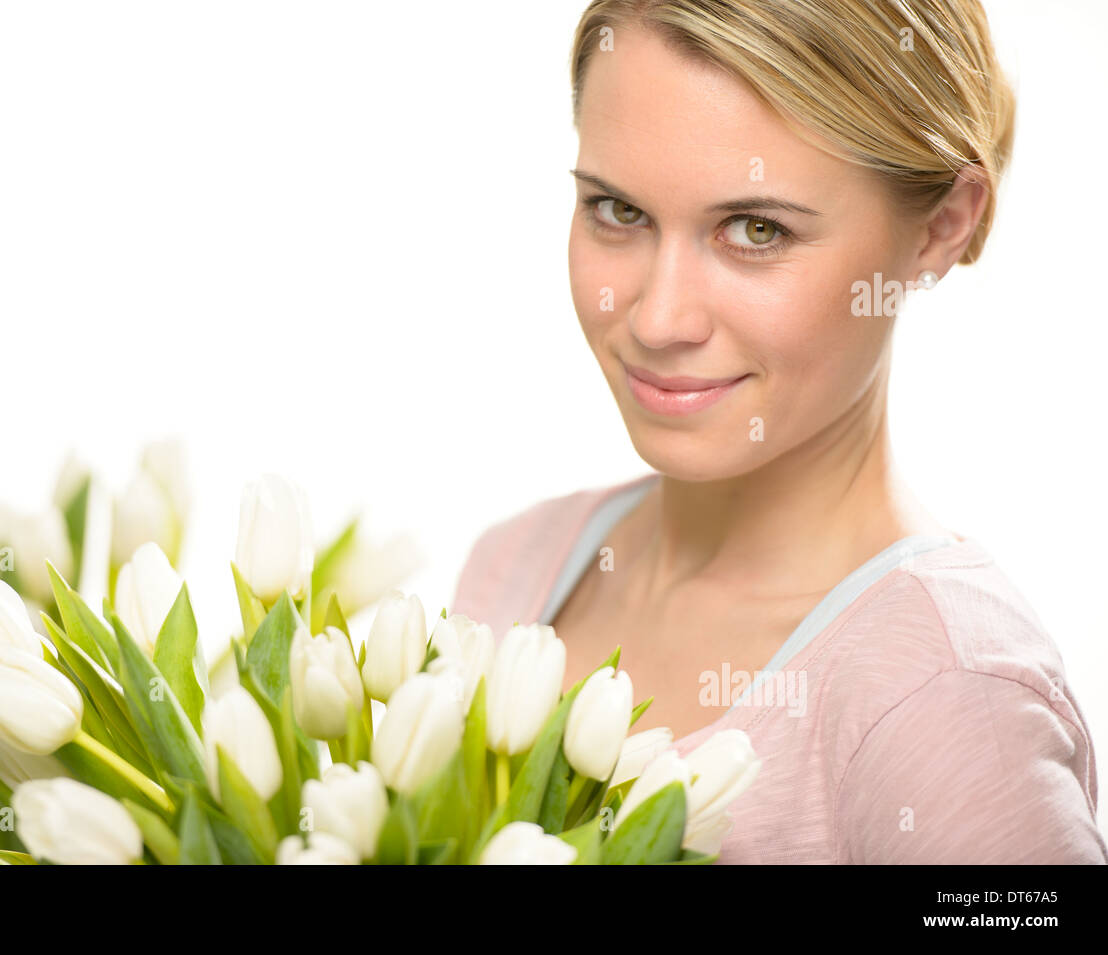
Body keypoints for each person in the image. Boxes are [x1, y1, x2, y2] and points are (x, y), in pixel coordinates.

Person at [451, 0, 1106, 863]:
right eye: (618, 210)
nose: (658, 318)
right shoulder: (512, 571)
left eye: (757, 230)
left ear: (943, 222)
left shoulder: (949, 703)